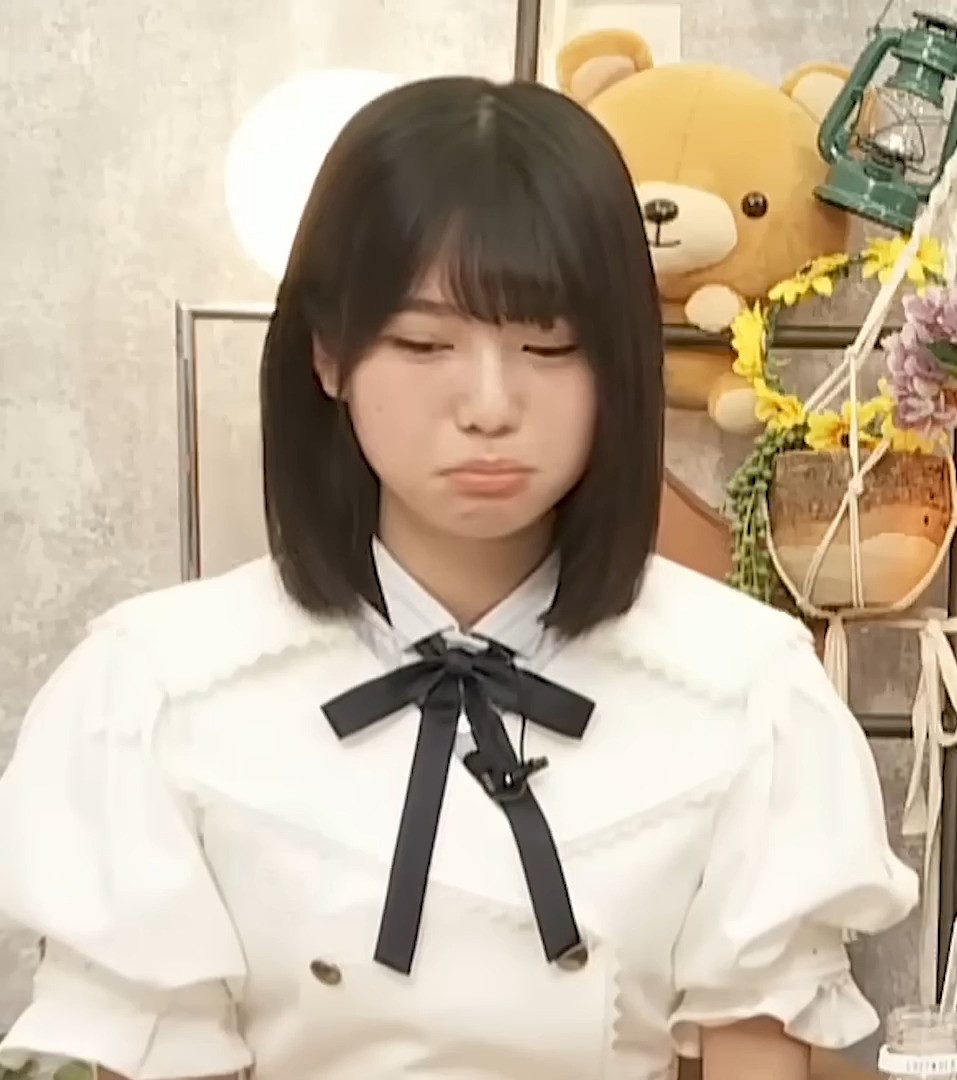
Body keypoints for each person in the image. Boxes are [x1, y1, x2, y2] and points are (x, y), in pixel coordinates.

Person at [0, 74, 916, 1080]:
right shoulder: (160, 687)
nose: (487, 405)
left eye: (548, 345)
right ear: (328, 354)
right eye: (424, 342)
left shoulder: (745, 688)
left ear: (619, 364)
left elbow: (759, 1057)